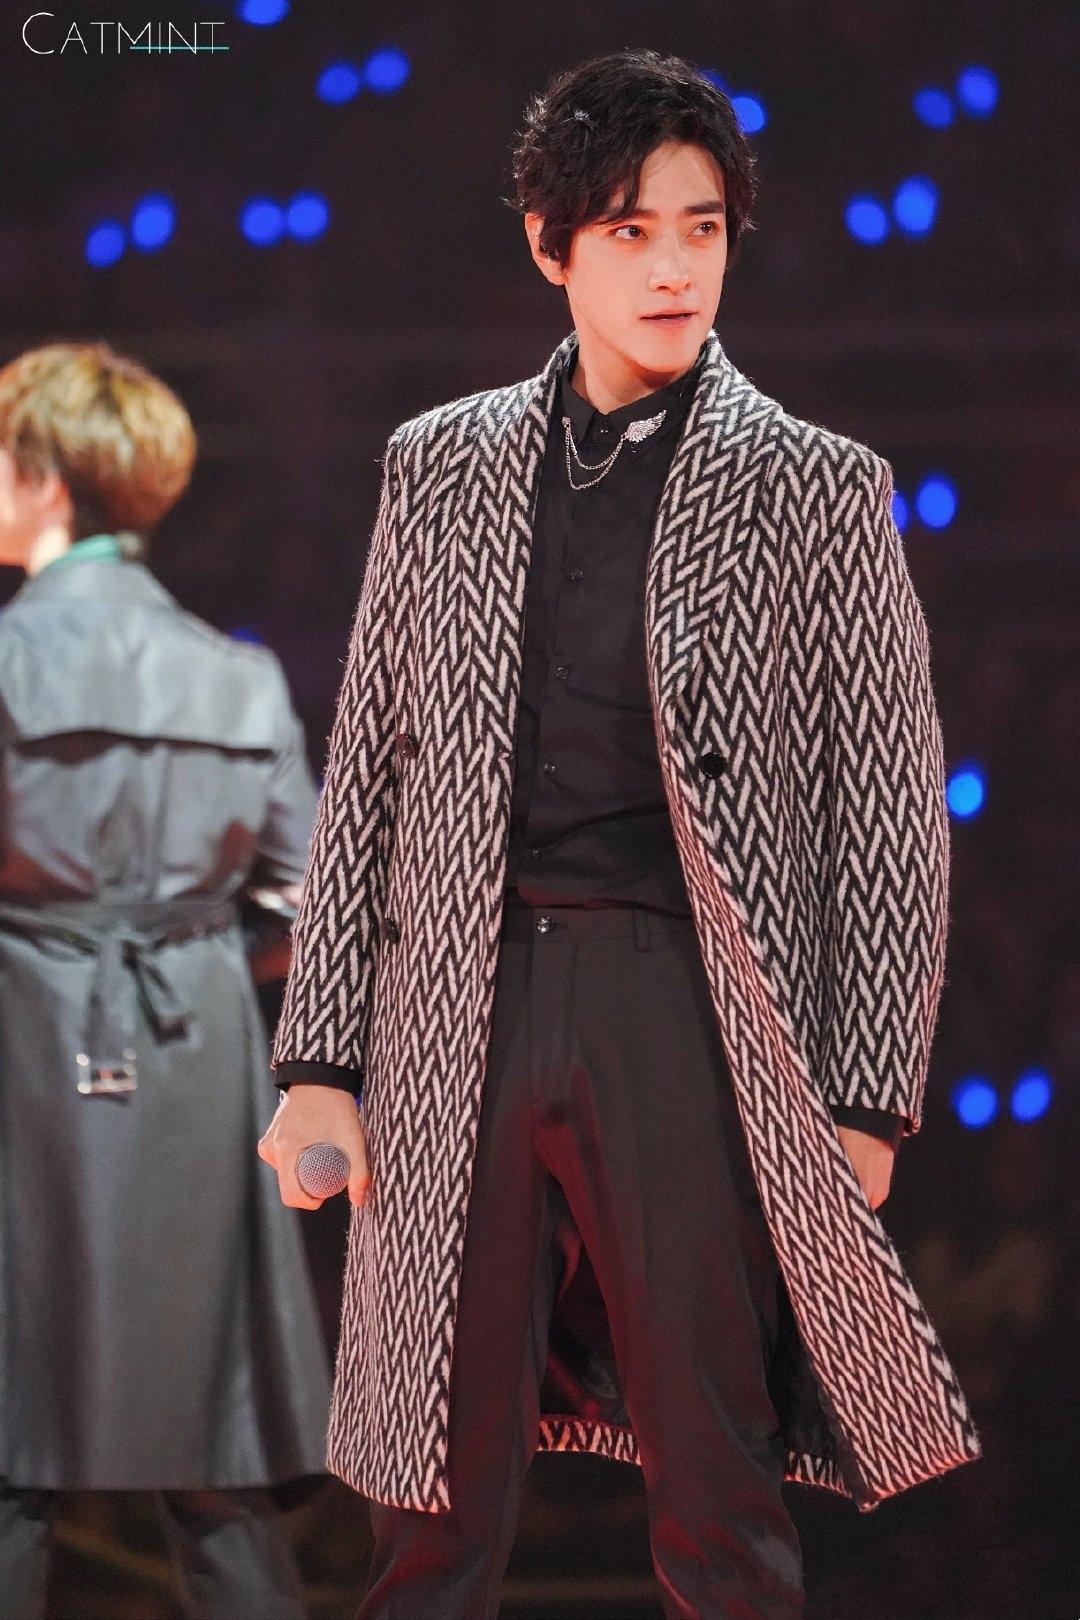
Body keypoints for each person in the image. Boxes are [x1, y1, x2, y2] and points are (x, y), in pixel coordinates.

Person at [258, 48, 982, 1619]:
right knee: (425, 1484)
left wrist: (867, 1098)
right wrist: (321, 1060)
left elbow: (888, 811)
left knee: (717, 1475)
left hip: (687, 1007)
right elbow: (369, 769)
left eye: (701, 230)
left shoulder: (817, 485)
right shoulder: (439, 464)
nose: (673, 268)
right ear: (551, 245)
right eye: (632, 231)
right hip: (460, 999)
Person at [0, 342, 331, 1619]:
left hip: (21, 1048)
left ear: (44, 479)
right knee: (216, 1458)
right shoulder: (236, 676)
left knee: (9, 1449)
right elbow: (313, 906)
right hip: (197, 1061)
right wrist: (207, 961)